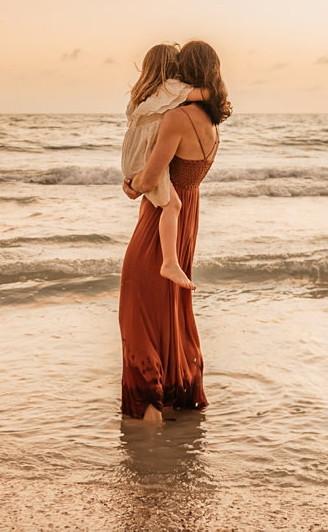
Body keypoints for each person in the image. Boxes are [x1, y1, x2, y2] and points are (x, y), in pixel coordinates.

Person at [118, 39, 230, 424]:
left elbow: (150, 179)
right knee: (170, 308)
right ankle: (175, 394)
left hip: (159, 218)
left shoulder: (176, 118)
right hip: (187, 218)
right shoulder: (212, 122)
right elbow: (187, 178)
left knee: (137, 303)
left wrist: (132, 185)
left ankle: (147, 406)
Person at [121, 43, 209, 291]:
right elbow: (206, 94)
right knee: (173, 204)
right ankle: (170, 262)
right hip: (146, 155)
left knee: (160, 201)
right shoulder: (171, 88)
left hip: (131, 156)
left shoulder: (141, 93)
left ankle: (169, 262)